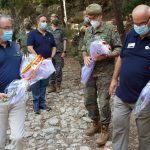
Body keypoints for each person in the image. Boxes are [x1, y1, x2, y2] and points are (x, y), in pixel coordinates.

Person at [109, 4, 150, 150]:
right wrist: (114, 79)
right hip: (122, 94)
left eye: (142, 23)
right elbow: (122, 56)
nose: (138, 27)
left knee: (145, 135)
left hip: (144, 100)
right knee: (119, 130)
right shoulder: (131, 34)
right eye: (135, 23)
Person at [81, 3, 122, 146]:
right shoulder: (88, 31)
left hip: (105, 72)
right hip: (90, 72)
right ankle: (95, 123)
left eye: (93, 17)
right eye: (89, 17)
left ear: (100, 16)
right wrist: (85, 56)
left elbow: (119, 49)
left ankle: (105, 129)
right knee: (88, 100)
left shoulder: (110, 29)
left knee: (104, 102)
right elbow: (83, 48)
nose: (91, 20)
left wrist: (106, 55)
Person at [0, 15, 26, 150]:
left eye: (10, 27)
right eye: (5, 28)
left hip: (17, 99)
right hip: (0, 101)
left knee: (18, 137)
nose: (9, 30)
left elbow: (21, 67)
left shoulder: (15, 46)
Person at [27, 14, 56, 114]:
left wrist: (51, 57)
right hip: (36, 62)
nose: (45, 23)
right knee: (35, 83)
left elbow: (54, 47)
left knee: (44, 83)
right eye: (43, 21)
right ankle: (36, 105)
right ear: (38, 23)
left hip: (47, 62)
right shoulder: (32, 34)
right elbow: (29, 47)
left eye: (46, 21)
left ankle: (42, 103)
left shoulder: (50, 34)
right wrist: (38, 57)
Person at [48, 18, 67, 92]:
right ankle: (52, 86)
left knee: (58, 70)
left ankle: (58, 85)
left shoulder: (61, 31)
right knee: (50, 70)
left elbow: (64, 41)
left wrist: (64, 51)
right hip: (49, 53)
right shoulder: (48, 30)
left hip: (59, 52)